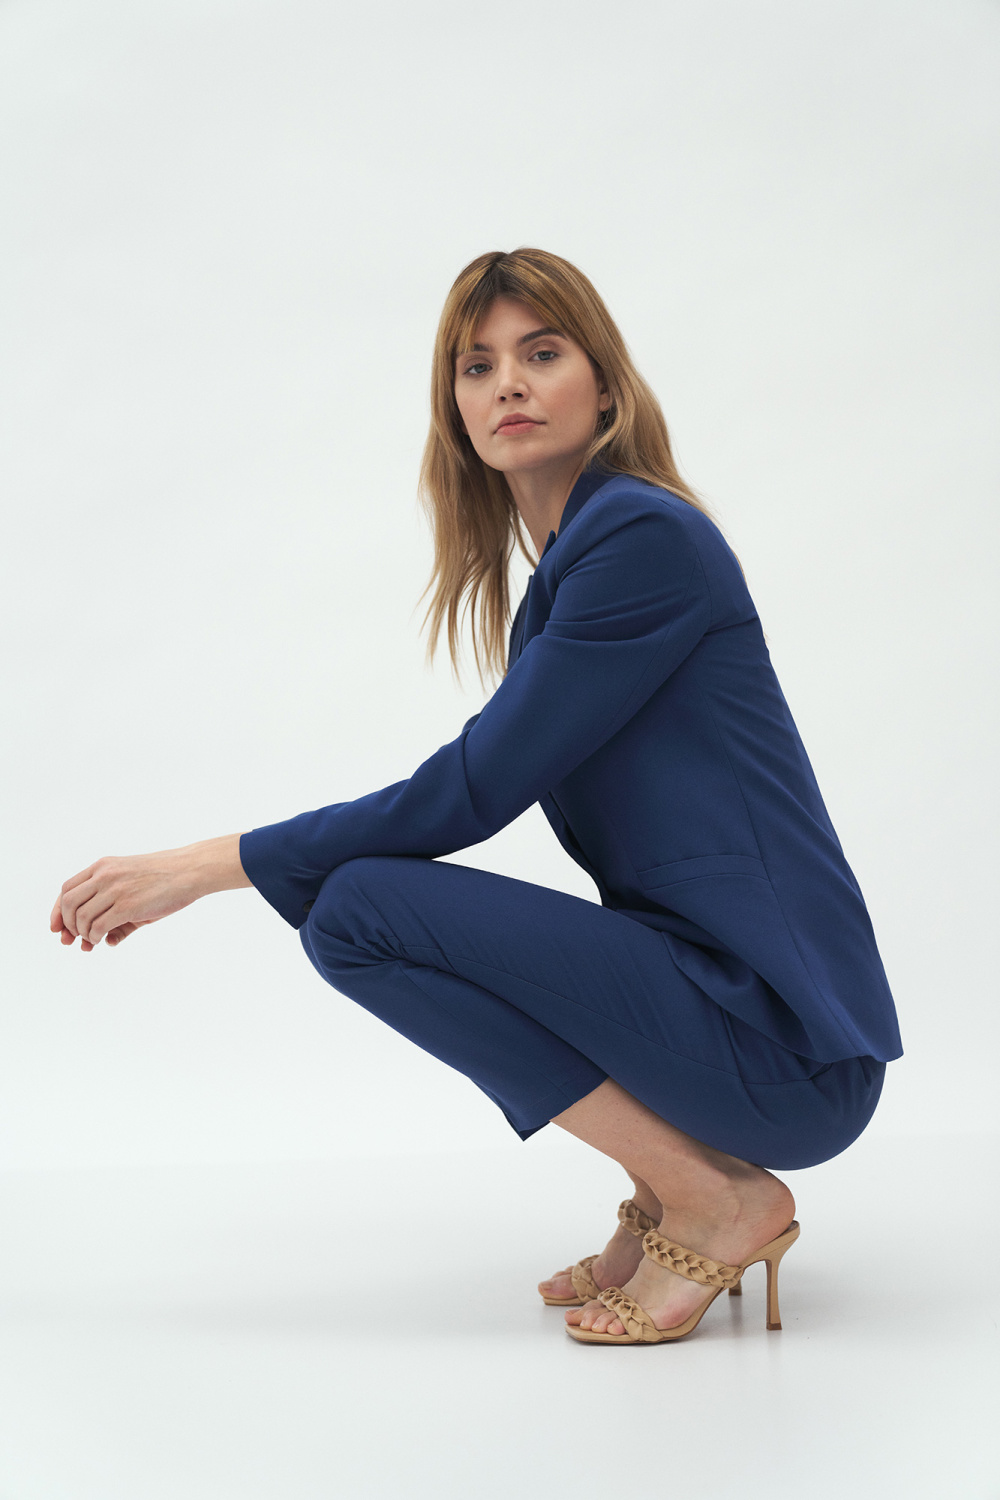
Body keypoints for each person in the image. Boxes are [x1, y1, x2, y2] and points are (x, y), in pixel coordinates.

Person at [50, 247, 902, 1346]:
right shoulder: (571, 567)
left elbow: (467, 792)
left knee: (359, 909)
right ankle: (674, 1187)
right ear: (453, 409)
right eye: (477, 365)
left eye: (542, 354)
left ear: (606, 387)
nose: (508, 384)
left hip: (782, 1039)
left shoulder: (642, 540)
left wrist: (202, 867)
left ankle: (714, 1198)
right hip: (722, 1005)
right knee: (348, 908)